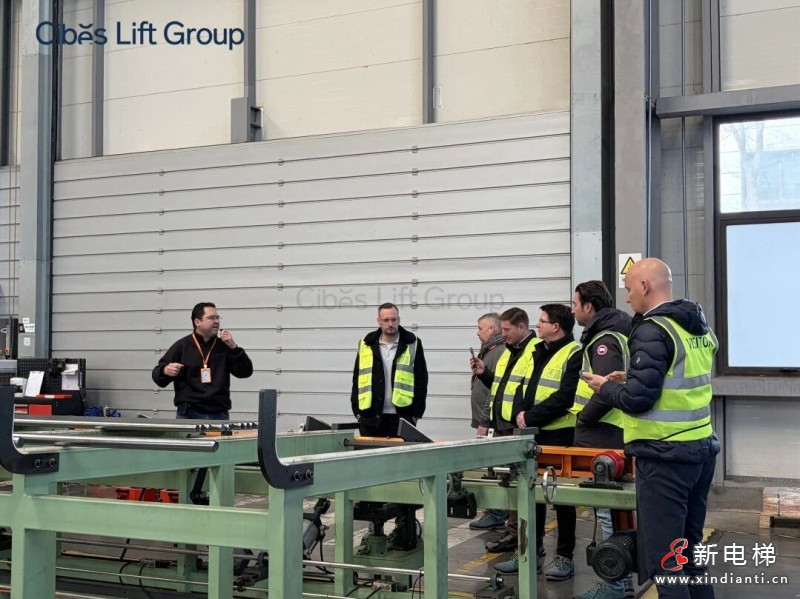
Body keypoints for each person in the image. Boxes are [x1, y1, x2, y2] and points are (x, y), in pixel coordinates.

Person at [582, 258, 719, 599]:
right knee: (689, 554)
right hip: (700, 448)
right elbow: (676, 377)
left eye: (629, 288)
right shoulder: (695, 325)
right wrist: (630, 376)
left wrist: (604, 387)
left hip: (665, 456)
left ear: (644, 286)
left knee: (666, 564)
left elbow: (638, 400)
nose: (627, 297)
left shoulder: (651, 329)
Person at [493, 304, 582, 578]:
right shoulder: (537, 350)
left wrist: (531, 416)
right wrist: (521, 413)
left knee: (563, 498)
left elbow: (566, 396)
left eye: (542, 321)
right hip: (532, 432)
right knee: (530, 494)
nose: (538, 325)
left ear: (556, 326)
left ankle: (564, 557)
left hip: (560, 435)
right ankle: (530, 552)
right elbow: (522, 385)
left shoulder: (574, 353)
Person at [570, 280, 633, 599]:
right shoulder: (617, 331)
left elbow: (607, 389)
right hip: (610, 431)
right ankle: (623, 581)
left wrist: (584, 418)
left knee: (607, 511)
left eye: (575, 304)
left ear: (589, 306)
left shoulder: (604, 340)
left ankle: (615, 586)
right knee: (616, 512)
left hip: (602, 433)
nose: (572, 310)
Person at [469, 307, 540, 546]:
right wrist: (484, 373)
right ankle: (511, 530)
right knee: (506, 478)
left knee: (516, 480)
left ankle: (517, 533)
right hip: (502, 423)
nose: (503, 333)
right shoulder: (509, 351)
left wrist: (490, 421)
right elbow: (499, 388)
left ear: (521, 327)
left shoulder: (530, 351)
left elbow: (525, 389)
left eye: (507, 329)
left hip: (514, 426)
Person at [152, 302, 254, 420]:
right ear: (197, 322)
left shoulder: (225, 346)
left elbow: (245, 372)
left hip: (219, 414)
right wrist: (165, 371)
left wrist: (234, 348)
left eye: (217, 317)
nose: (216, 321)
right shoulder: (182, 346)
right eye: (211, 318)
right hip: (189, 414)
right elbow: (158, 377)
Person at [350, 303, 428, 436]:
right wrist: (358, 413)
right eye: (386, 320)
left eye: (393, 319)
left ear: (399, 319)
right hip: (370, 417)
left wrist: (415, 415)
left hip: (402, 416)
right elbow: (357, 379)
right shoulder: (366, 344)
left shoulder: (412, 343)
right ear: (379, 321)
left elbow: (421, 380)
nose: (390, 324)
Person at [467, 312, 507, 531]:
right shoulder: (490, 351)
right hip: (488, 420)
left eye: (480, 328)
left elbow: (496, 392)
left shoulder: (499, 352)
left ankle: (496, 512)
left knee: (496, 466)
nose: (477, 332)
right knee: (493, 466)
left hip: (491, 422)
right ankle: (496, 511)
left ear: (492, 330)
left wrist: (485, 421)